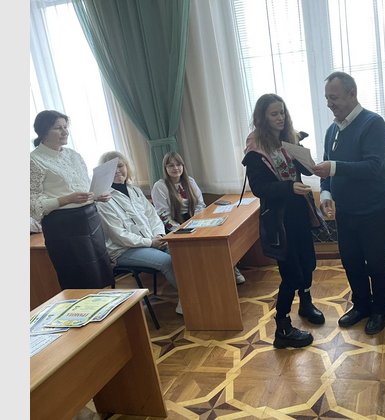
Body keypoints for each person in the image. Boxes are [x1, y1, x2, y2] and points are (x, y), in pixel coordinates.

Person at [241, 93, 326, 349]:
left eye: (282, 112)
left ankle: (306, 304)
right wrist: (289, 187)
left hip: (299, 212)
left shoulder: (289, 138)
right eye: (274, 114)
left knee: (308, 263)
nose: (280, 118)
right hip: (279, 220)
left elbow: (305, 169)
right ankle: (282, 328)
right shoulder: (255, 149)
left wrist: (307, 161)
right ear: (262, 118)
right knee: (291, 274)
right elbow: (259, 188)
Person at [313, 71, 385, 335]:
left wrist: (334, 167)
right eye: (326, 98)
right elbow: (326, 170)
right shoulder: (331, 130)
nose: (329, 104)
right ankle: (361, 306)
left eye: (334, 98)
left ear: (352, 94)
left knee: (376, 264)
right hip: (345, 213)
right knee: (351, 262)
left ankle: (381, 310)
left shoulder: (373, 123)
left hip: (373, 211)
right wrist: (325, 194)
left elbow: (373, 167)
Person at [30, 110, 114, 289]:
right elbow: (33, 205)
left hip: (90, 218)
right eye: (58, 128)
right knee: (82, 279)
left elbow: (84, 187)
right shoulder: (34, 160)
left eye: (65, 127)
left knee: (102, 273)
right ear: (44, 131)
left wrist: (97, 196)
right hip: (63, 226)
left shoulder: (73, 155)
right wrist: (66, 199)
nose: (65, 132)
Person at [96, 151, 183, 315]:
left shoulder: (134, 190)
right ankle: (189, 300)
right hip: (124, 250)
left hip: (152, 241)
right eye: (112, 168)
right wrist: (150, 242)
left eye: (120, 166)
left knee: (181, 252)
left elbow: (152, 216)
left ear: (127, 167)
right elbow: (118, 235)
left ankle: (194, 294)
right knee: (167, 261)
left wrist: (158, 235)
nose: (118, 171)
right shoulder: (103, 200)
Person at [151, 152, 246, 285]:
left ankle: (231, 268)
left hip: (195, 220)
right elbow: (163, 215)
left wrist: (197, 221)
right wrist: (180, 229)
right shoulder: (160, 186)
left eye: (178, 164)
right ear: (165, 168)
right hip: (175, 225)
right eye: (171, 165)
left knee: (218, 239)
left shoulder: (189, 181)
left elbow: (200, 204)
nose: (175, 168)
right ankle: (208, 278)